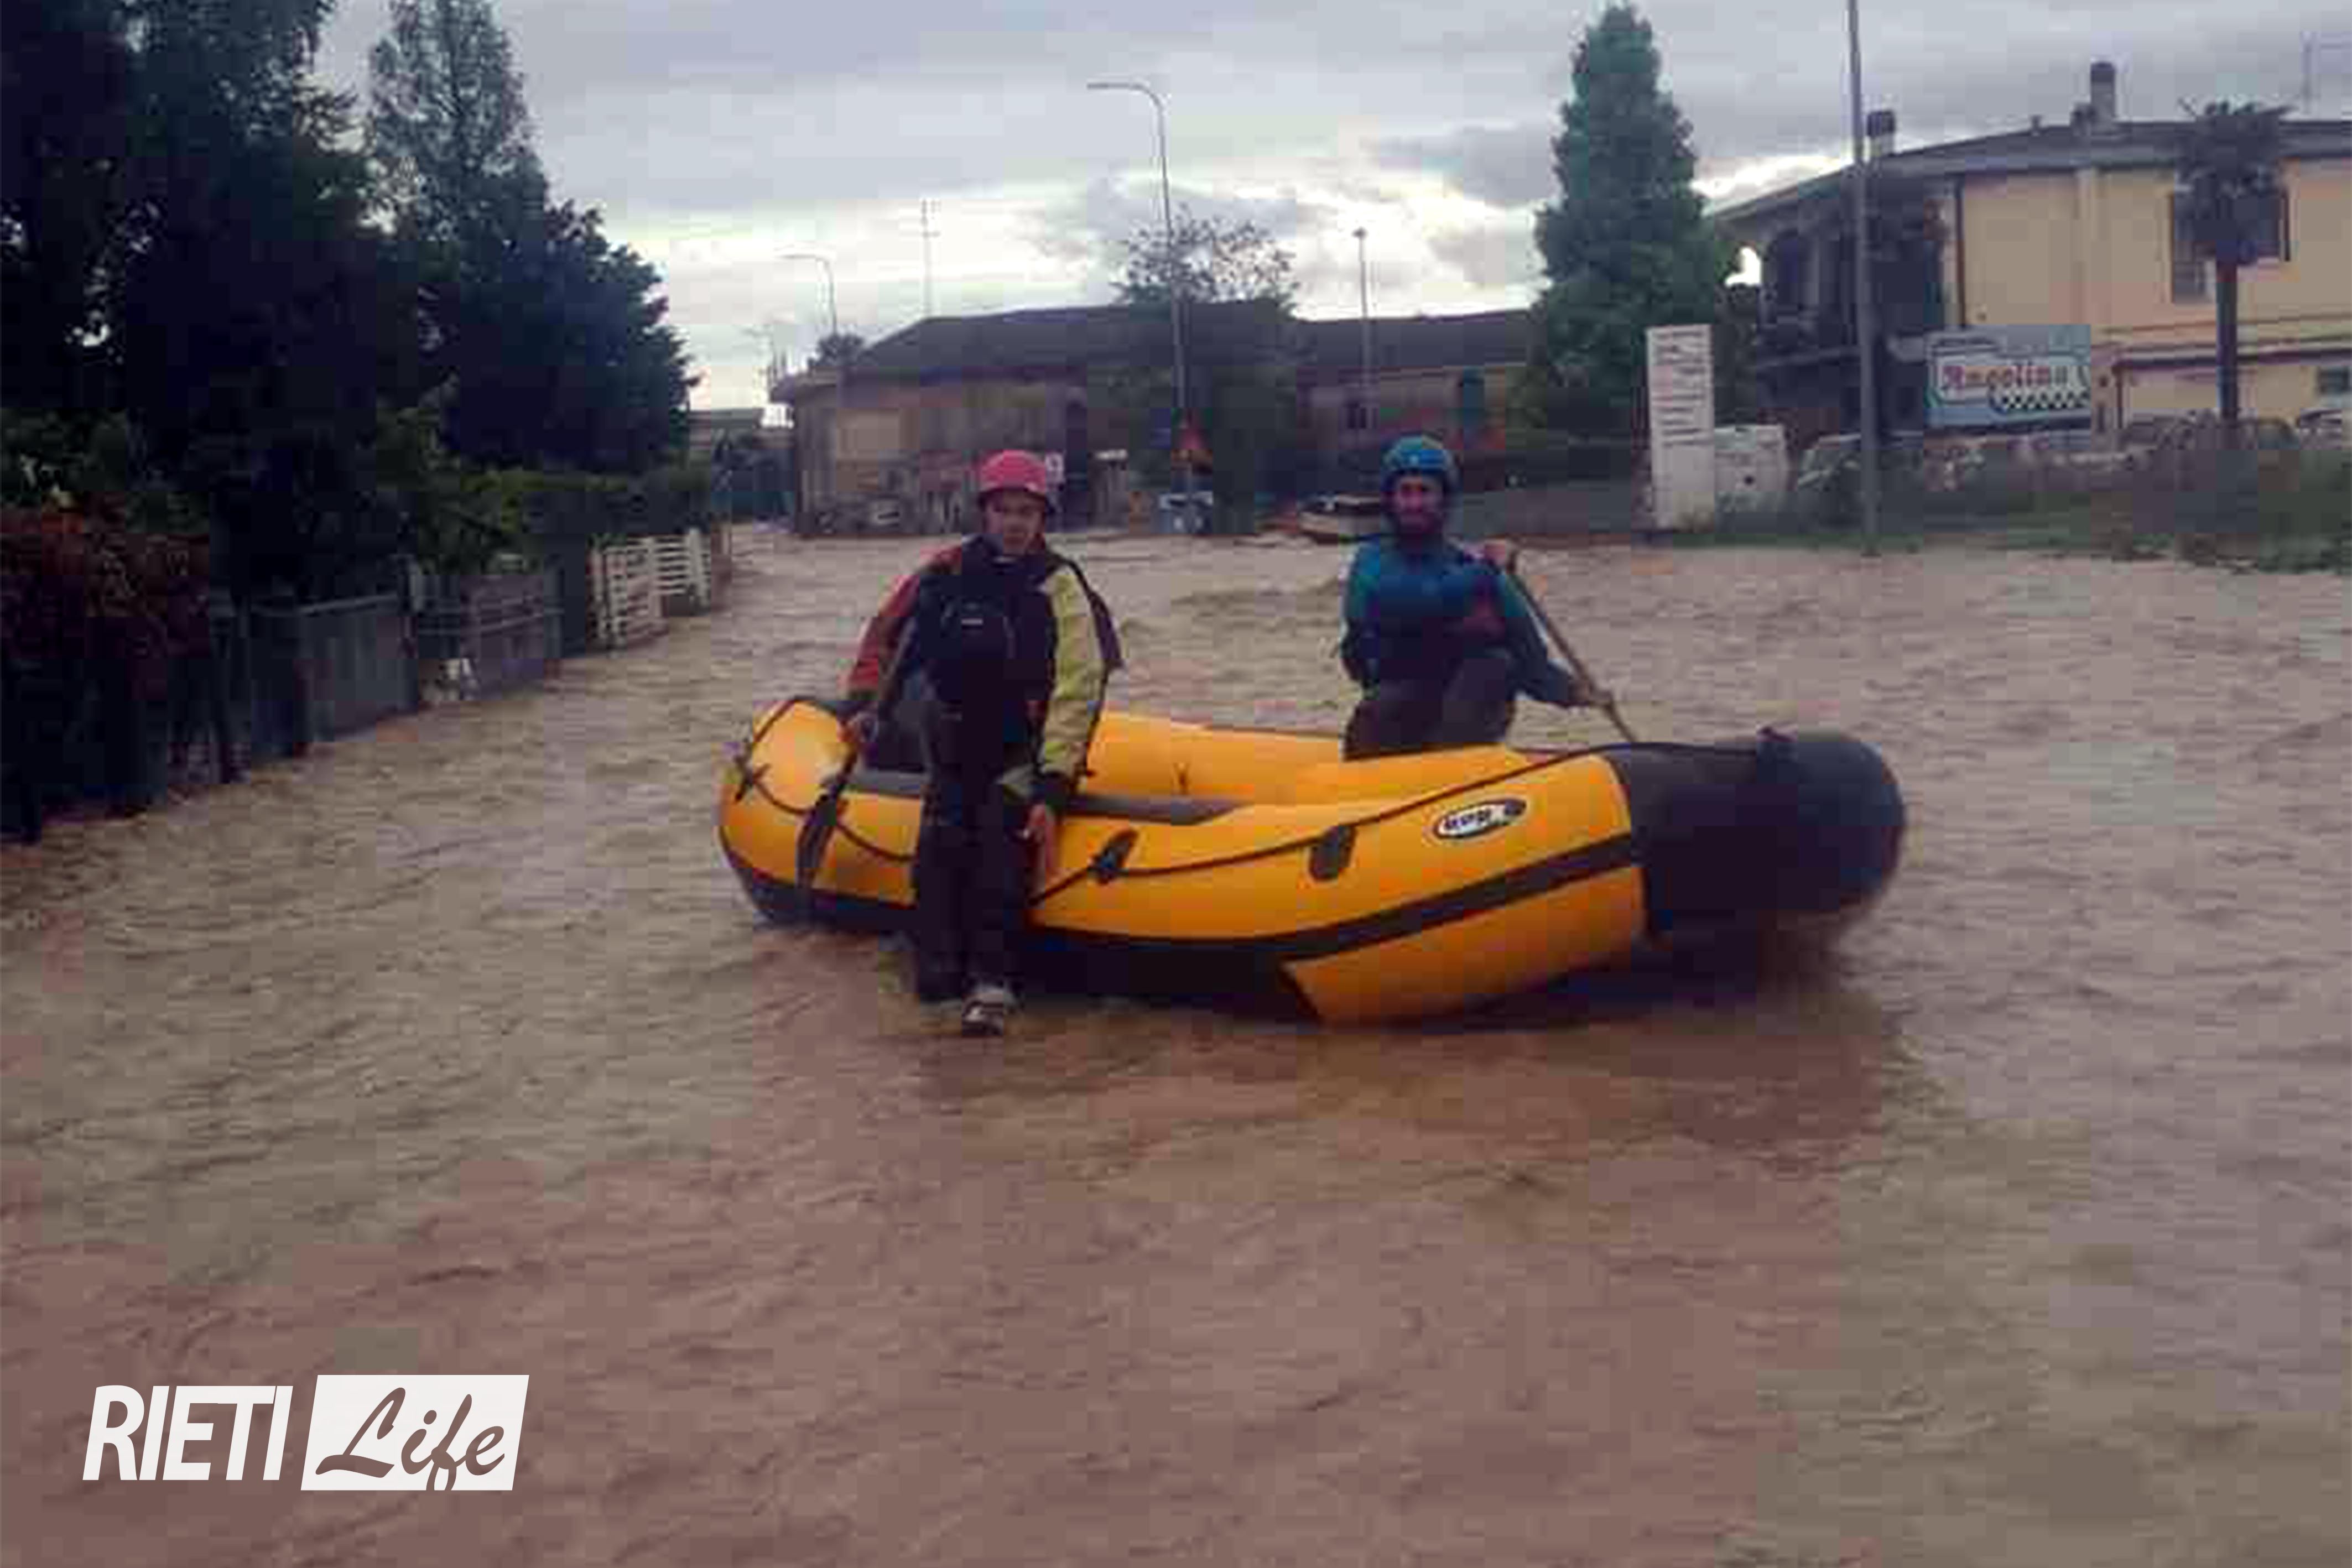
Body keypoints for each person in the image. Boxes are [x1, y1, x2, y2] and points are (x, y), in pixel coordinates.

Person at [853, 450, 1118, 1036]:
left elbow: (1078, 688)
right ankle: (937, 983)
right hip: (954, 747)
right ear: (985, 512)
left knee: (1001, 843)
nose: (1015, 523)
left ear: (1042, 518)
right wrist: (866, 705)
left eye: (1027, 512)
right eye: (1004, 510)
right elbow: (888, 637)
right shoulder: (945, 573)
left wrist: (1053, 789)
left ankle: (993, 985)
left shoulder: (1059, 585)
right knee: (937, 851)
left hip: (1024, 754)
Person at [1338, 434, 1605, 759]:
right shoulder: (1372, 563)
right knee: (1387, 702)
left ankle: (1454, 767)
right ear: (1391, 500)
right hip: (1395, 715)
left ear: (1444, 500)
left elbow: (1531, 664)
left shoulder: (1479, 575)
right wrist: (1487, 569)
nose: (1415, 503)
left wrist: (1577, 692)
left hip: (1461, 731)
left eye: (1425, 492)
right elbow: (1411, 601)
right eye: (1405, 492)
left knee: (1495, 665)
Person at [840, 542, 961, 772]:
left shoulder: (1039, 577)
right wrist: (864, 698)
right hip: (926, 701)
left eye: (1026, 518)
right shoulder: (944, 570)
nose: (1014, 526)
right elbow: (882, 638)